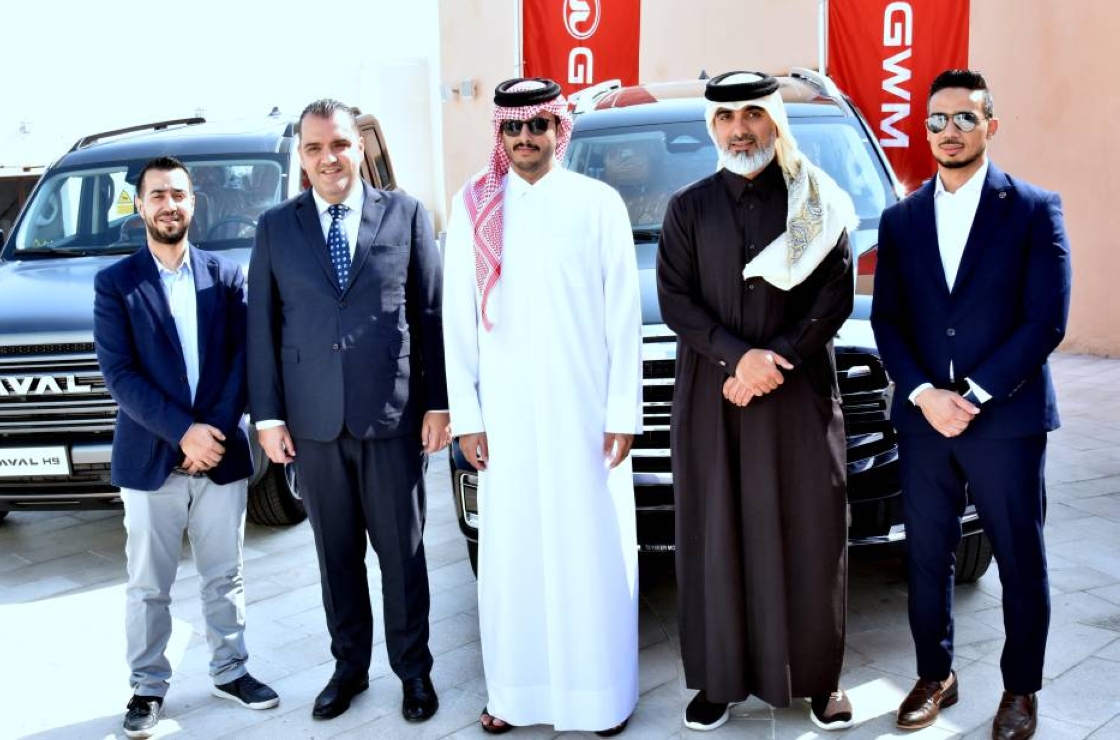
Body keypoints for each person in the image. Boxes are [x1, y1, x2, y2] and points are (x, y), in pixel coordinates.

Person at [870, 69, 1070, 740]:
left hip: (1006, 421)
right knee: (927, 555)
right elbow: (888, 320)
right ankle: (936, 675)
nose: (948, 131)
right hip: (926, 421)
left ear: (991, 125)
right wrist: (927, 395)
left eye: (963, 118)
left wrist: (975, 394)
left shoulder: (1034, 208)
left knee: (1019, 556)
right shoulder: (901, 220)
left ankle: (1021, 690)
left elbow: (1045, 321)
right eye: (936, 120)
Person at [656, 71, 858, 732]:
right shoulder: (686, 207)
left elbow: (833, 291)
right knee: (717, 538)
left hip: (797, 399)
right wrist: (735, 356)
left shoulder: (816, 200)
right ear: (711, 128)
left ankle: (821, 681)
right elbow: (675, 301)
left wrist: (776, 358)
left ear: (774, 122)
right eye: (726, 118)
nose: (739, 129)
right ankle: (720, 683)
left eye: (752, 115)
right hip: (714, 399)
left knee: (810, 533)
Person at [443, 77, 643, 736]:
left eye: (537, 126)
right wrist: (468, 419)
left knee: (592, 553)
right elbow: (458, 323)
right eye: (513, 128)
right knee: (511, 559)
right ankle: (515, 694)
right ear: (499, 135)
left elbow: (623, 320)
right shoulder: (473, 207)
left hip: (585, 417)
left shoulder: (598, 203)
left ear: (560, 129)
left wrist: (623, 412)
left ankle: (601, 697)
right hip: (505, 422)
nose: (525, 138)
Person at [246, 98, 449, 723]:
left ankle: (414, 673)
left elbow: (431, 314)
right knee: (336, 558)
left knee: (402, 555)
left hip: (391, 418)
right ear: (301, 158)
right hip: (313, 425)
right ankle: (349, 669)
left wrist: (439, 403)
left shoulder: (407, 214)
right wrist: (270, 417)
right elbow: (262, 328)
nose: (328, 158)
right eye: (314, 148)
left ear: (359, 147)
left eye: (338, 144)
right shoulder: (276, 227)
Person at [93, 156, 278, 739]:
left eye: (178, 193)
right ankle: (147, 688)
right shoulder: (116, 284)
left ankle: (231, 670)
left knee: (226, 576)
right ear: (139, 206)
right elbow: (120, 375)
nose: (168, 204)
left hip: (220, 455)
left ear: (193, 202)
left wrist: (212, 435)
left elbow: (241, 362)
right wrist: (182, 433)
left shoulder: (224, 275)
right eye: (157, 195)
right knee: (149, 585)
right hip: (151, 463)